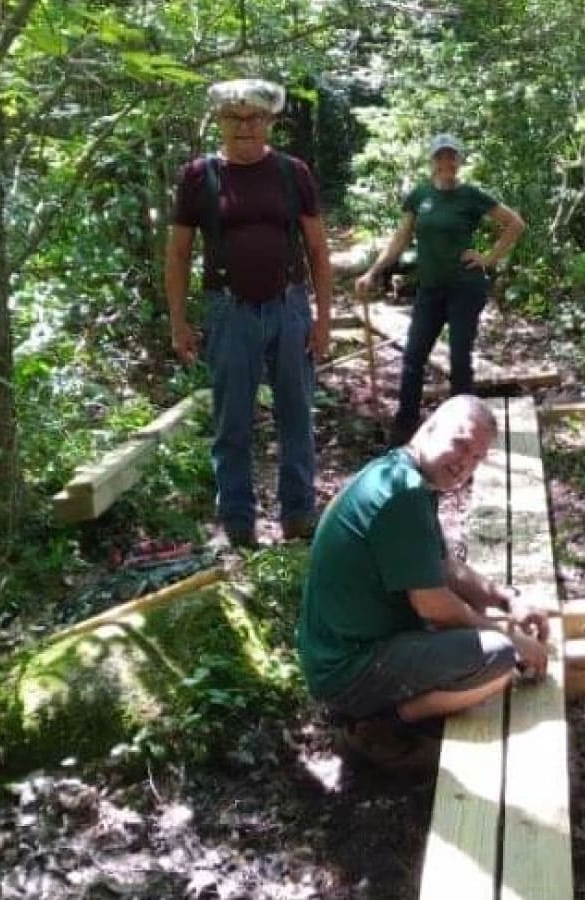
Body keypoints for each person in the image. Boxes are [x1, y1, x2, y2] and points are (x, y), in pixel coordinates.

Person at [297, 394, 550, 764]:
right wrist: (508, 637)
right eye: (460, 444)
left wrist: (506, 600)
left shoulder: (405, 477)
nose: (465, 463)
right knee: (500, 659)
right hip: (347, 670)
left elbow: (445, 567)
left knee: (483, 627)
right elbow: (434, 607)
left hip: (342, 650)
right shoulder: (403, 494)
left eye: (477, 458)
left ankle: (390, 709)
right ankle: (382, 724)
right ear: (428, 429)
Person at [165, 78, 333, 549]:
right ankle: (238, 524)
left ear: (269, 122)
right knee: (232, 420)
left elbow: (318, 250)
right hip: (229, 311)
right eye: (234, 118)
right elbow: (178, 254)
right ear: (219, 122)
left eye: (254, 117)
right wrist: (179, 321)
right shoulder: (199, 175)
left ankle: (298, 516)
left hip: (289, 307)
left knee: (296, 414)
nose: (244, 126)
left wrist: (321, 321)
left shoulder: (292, 172)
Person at [355, 134, 526, 445]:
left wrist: (488, 258)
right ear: (432, 161)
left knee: (460, 359)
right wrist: (372, 271)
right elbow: (400, 239)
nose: (447, 162)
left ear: (459, 161)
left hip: (465, 288)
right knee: (413, 356)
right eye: (441, 156)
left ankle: (464, 429)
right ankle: (405, 426)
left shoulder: (471, 195)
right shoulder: (420, 196)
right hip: (430, 289)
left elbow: (515, 223)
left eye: (452, 157)